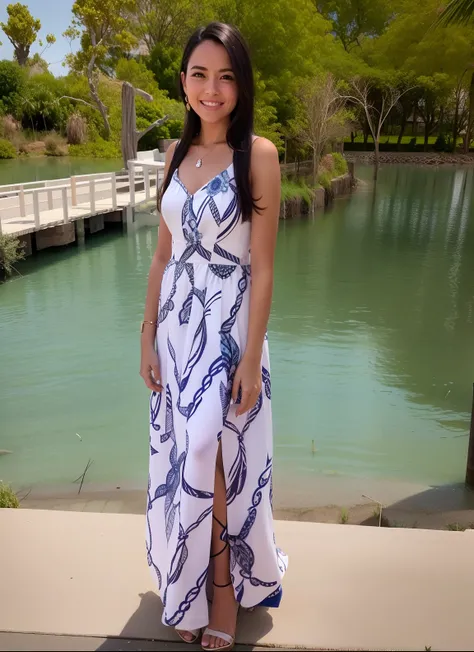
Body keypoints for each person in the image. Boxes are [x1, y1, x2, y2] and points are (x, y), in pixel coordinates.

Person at [140, 22, 287, 652]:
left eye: (226, 75)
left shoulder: (259, 154)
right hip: (176, 327)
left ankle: (222, 587)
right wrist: (146, 334)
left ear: (242, 84)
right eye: (200, 74)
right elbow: (161, 256)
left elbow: (265, 267)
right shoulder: (176, 155)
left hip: (228, 329)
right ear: (183, 82)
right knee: (189, 458)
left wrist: (252, 357)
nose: (212, 88)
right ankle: (189, 586)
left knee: (207, 450)